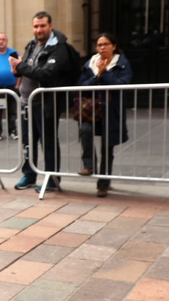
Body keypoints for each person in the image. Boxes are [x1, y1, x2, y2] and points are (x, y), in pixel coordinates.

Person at [10, 11, 74, 192]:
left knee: (48, 143)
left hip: (45, 104)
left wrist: (22, 66)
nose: (39, 30)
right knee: (27, 142)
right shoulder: (31, 45)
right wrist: (17, 69)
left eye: (42, 26)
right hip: (25, 103)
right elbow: (28, 70)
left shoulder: (59, 48)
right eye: (36, 26)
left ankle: (52, 179)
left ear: (50, 26)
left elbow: (46, 73)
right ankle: (29, 175)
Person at [77, 33, 132, 198]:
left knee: (107, 148)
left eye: (106, 44)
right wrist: (97, 76)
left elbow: (123, 83)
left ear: (113, 46)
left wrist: (105, 74)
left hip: (111, 111)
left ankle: (103, 184)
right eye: (99, 45)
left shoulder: (122, 63)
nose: (102, 48)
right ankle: (89, 164)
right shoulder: (90, 63)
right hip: (92, 109)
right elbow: (81, 84)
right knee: (85, 130)